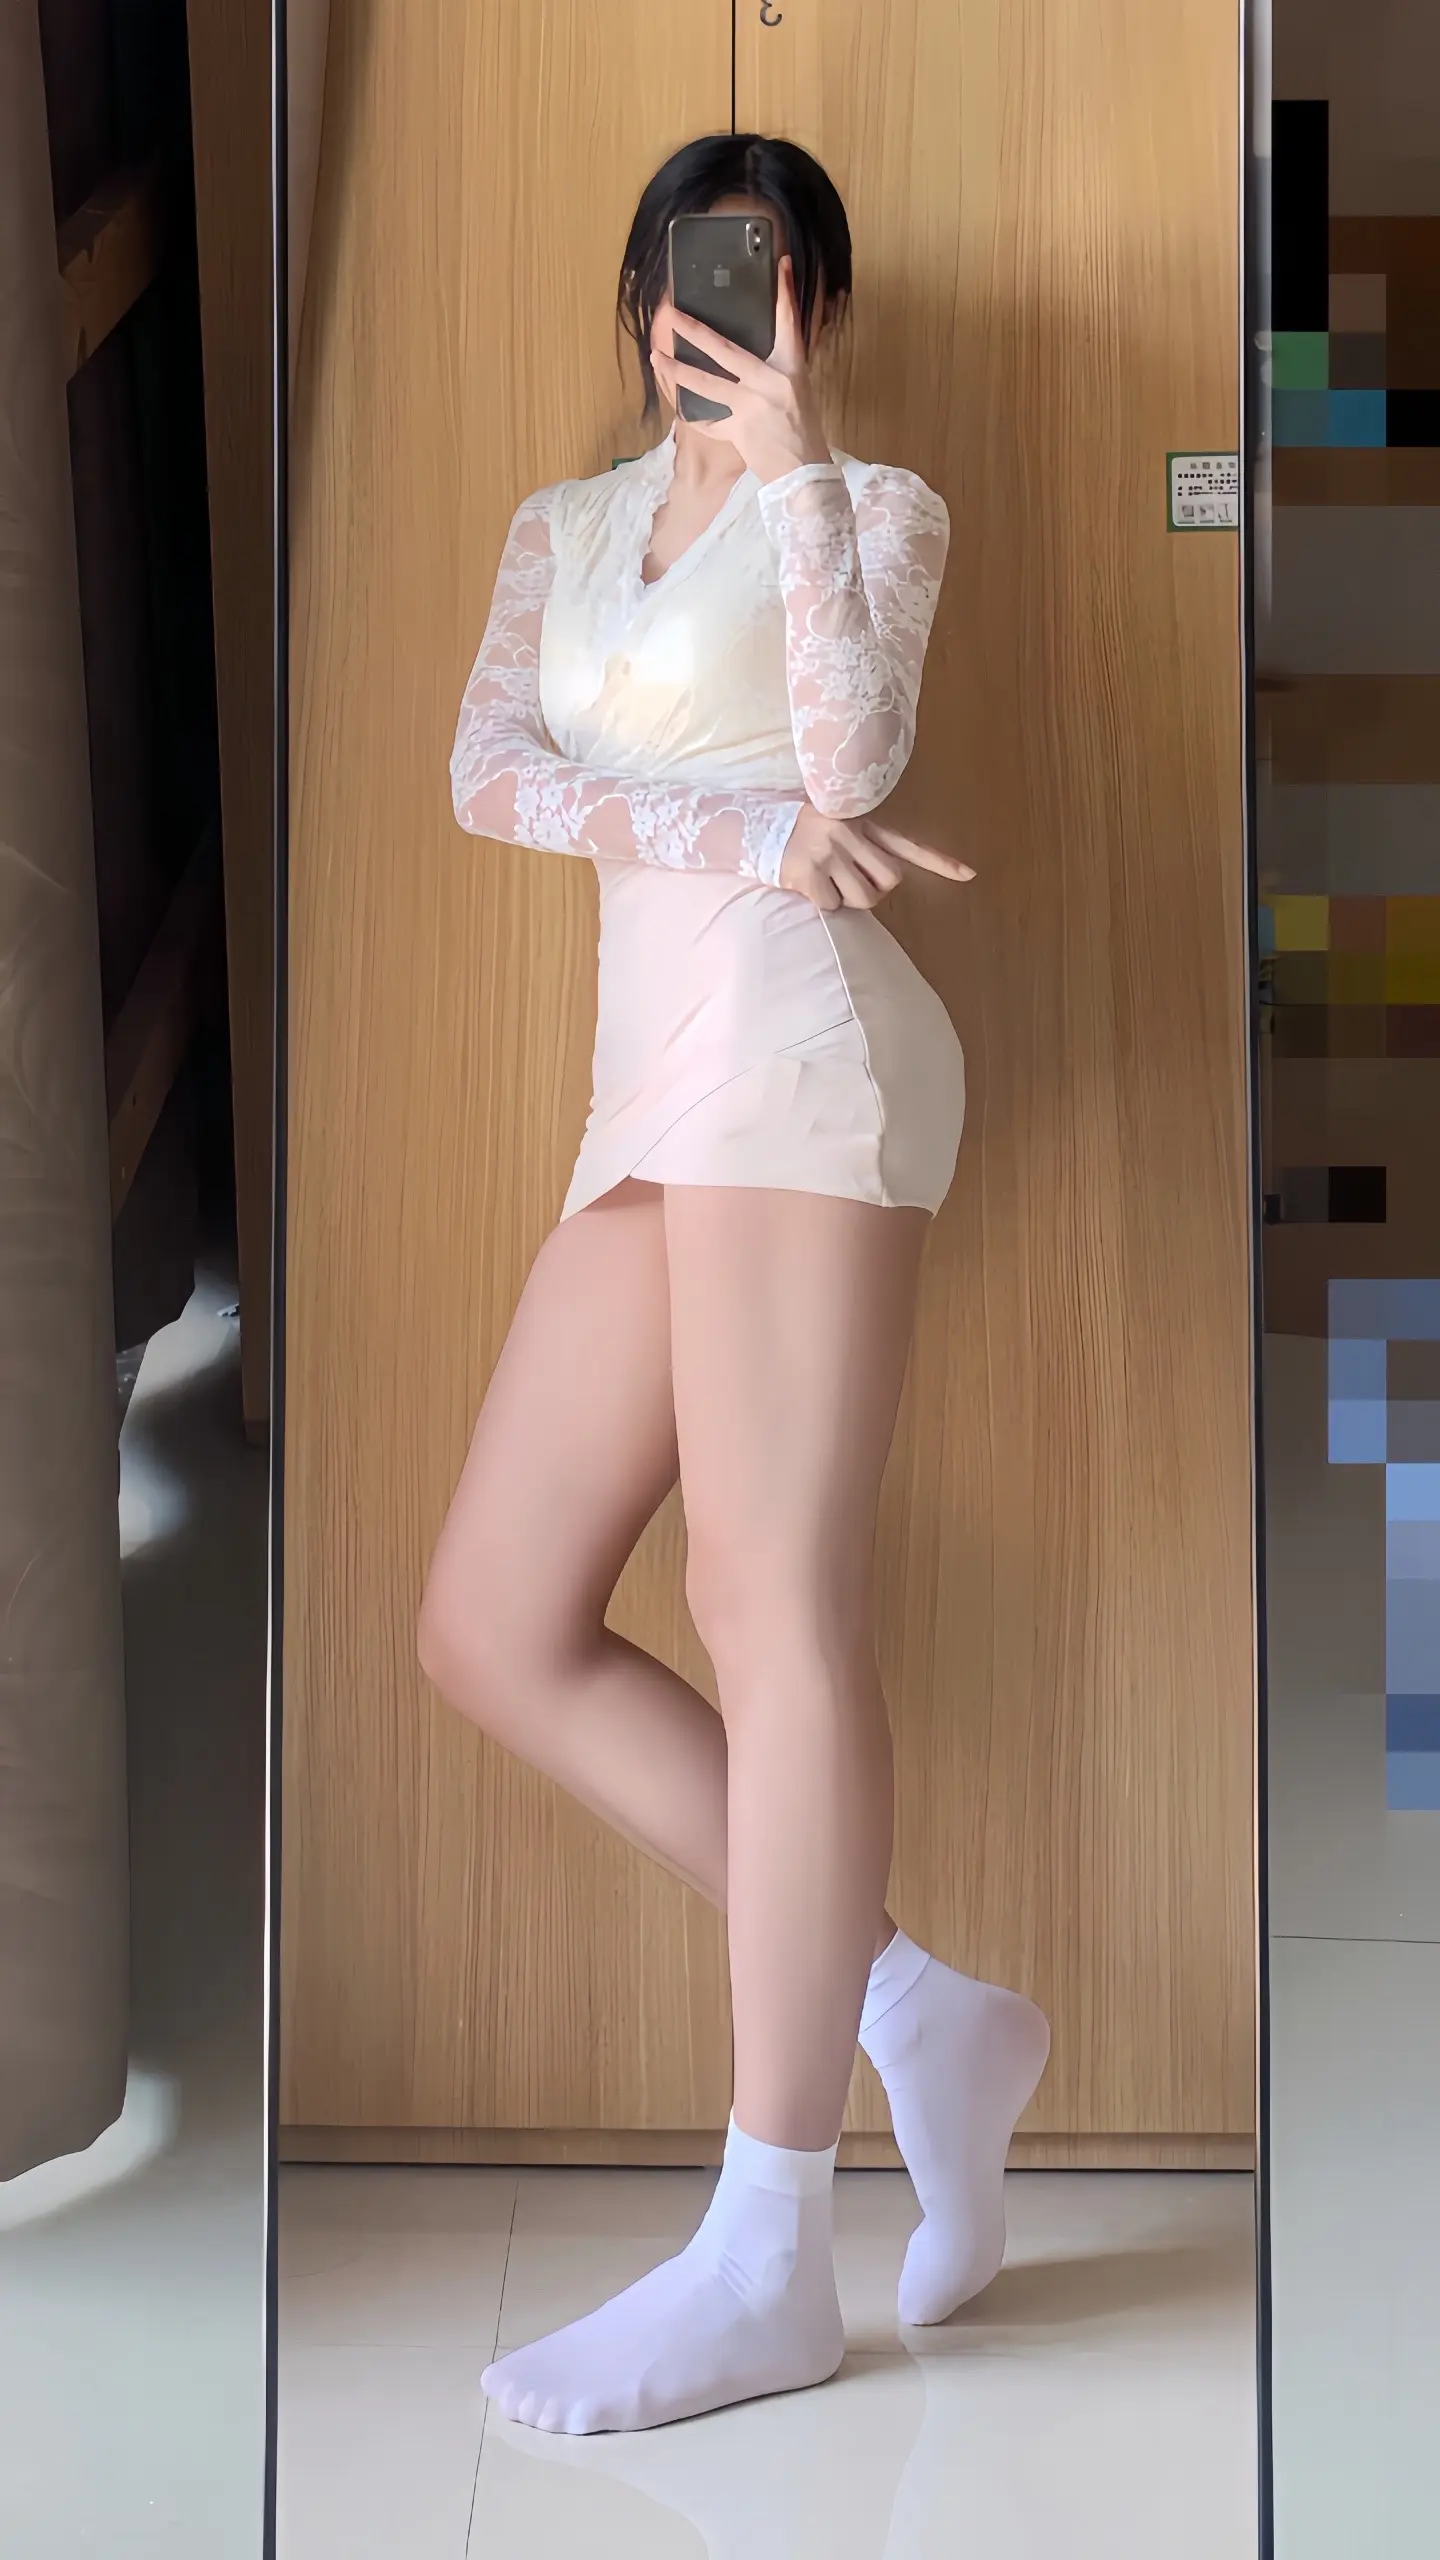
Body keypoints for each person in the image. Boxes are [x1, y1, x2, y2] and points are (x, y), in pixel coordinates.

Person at [419, 132, 1050, 2436]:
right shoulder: (558, 530)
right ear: (638, 298)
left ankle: (772, 2237)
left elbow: (861, 750)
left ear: (819, 314)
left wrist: (795, 483)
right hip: (649, 1093)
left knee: (770, 1597)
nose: (726, 311)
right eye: (699, 274)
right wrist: (744, 831)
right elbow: (488, 777)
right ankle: (909, 2008)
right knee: (491, 1620)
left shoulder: (875, 512)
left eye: (775, 281)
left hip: (802, 1057)